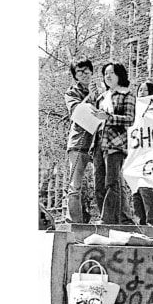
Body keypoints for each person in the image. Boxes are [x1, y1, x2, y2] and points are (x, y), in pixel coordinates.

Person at [92, 63, 136, 225]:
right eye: (105, 73)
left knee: (112, 182)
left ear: (119, 75)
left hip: (115, 143)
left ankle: (108, 220)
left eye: (111, 73)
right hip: (98, 143)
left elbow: (129, 119)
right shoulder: (101, 98)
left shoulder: (127, 94)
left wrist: (108, 117)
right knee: (98, 183)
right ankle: (106, 215)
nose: (108, 76)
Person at [63, 56, 99, 224]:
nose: (84, 74)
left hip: (98, 143)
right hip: (79, 143)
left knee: (104, 183)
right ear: (75, 75)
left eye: (87, 71)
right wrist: (90, 97)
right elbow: (76, 112)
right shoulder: (71, 93)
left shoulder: (100, 90)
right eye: (80, 72)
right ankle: (74, 222)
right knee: (74, 186)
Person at [132, 81, 153, 226]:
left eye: (145, 90)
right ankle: (141, 220)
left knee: (144, 186)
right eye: (140, 90)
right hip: (134, 153)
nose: (141, 92)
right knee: (135, 189)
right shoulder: (134, 110)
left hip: (148, 153)